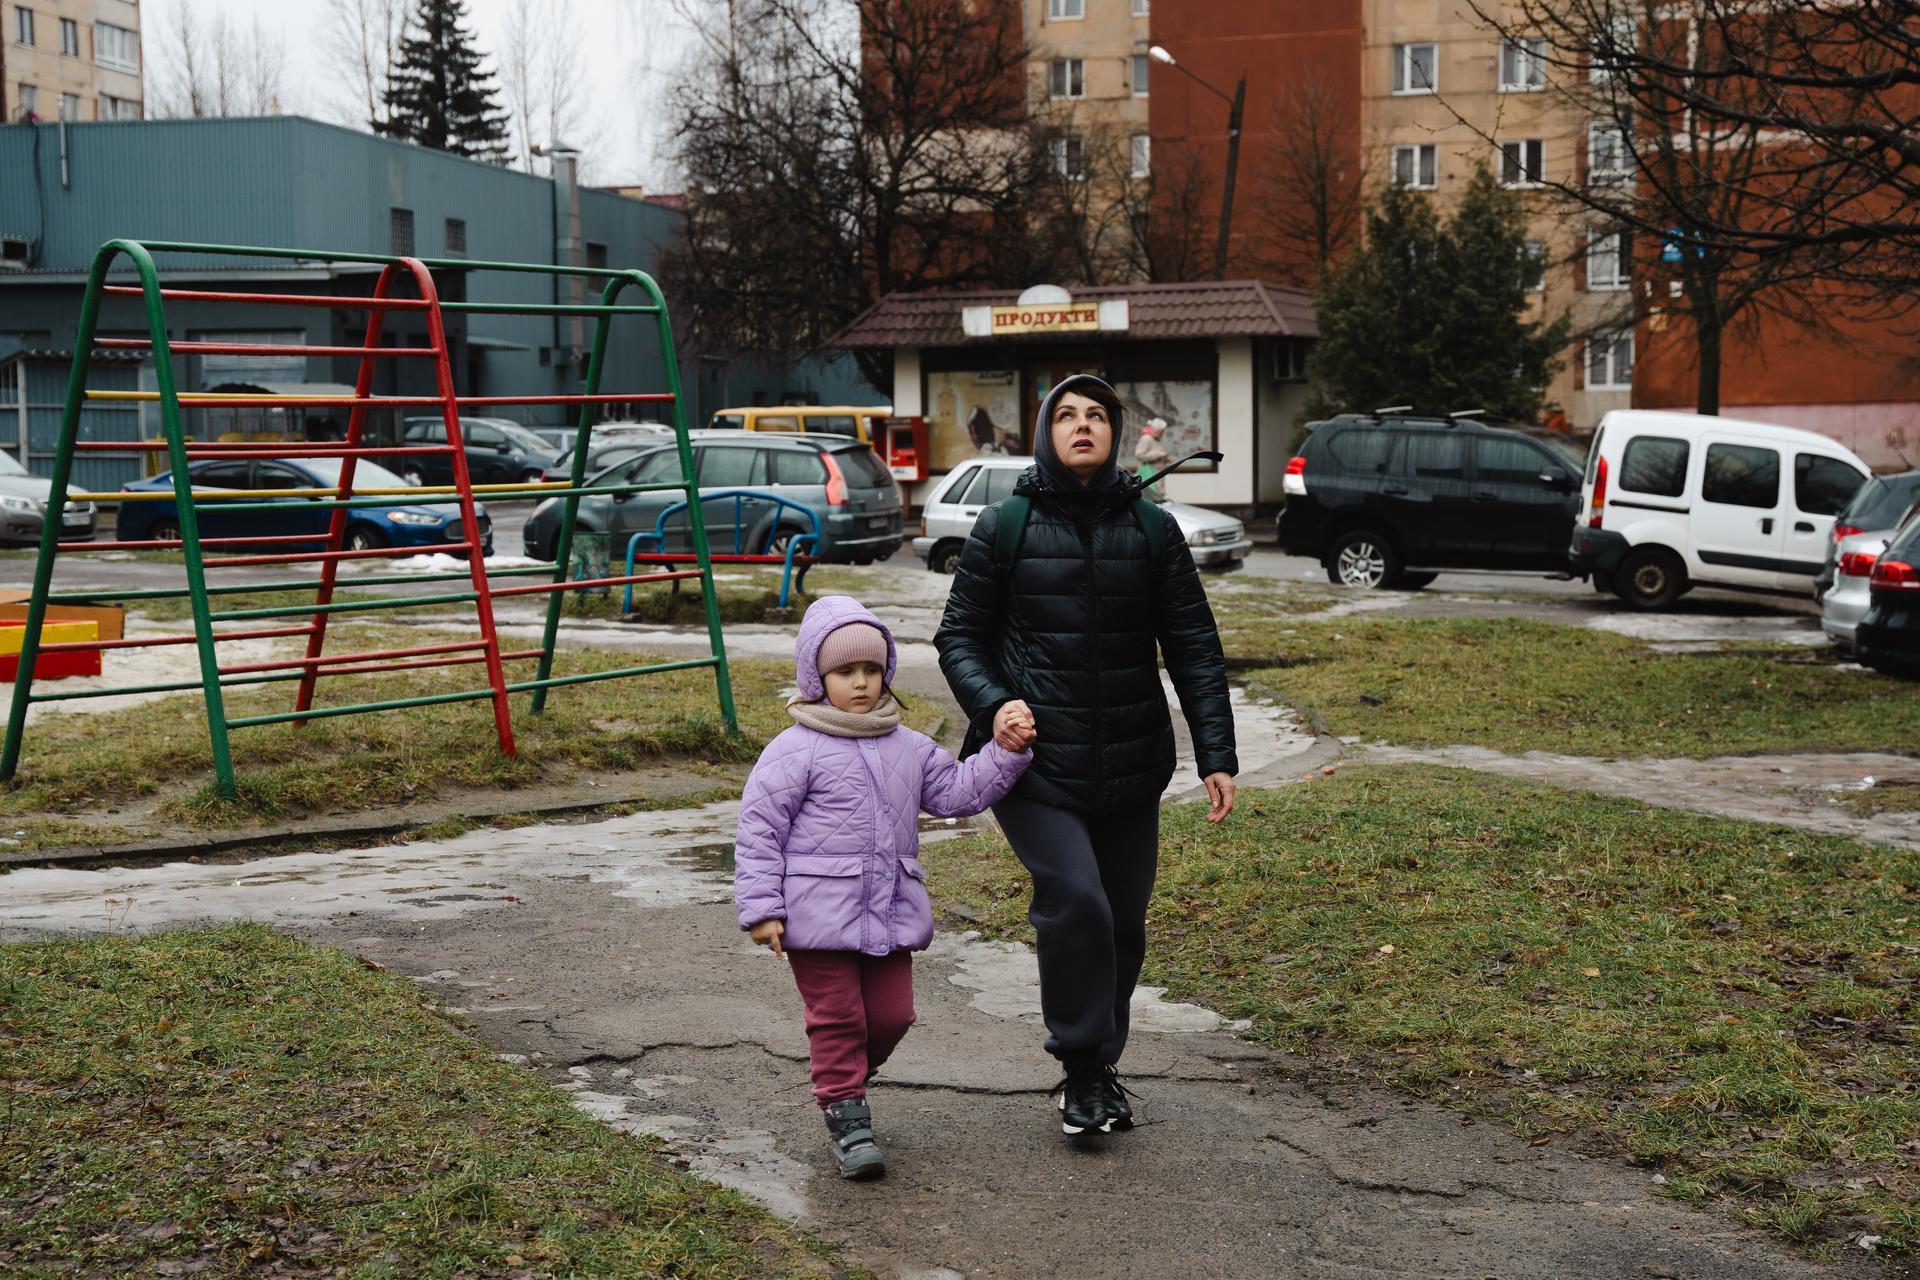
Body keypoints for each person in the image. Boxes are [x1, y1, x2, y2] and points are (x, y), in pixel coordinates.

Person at [934, 373, 1238, 1139]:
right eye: (1065, 415)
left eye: (1095, 415)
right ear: (1045, 432)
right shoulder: (1003, 525)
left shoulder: (1151, 529)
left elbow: (1194, 647)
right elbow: (958, 637)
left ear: (1114, 433)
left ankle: (1101, 1066)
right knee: (1078, 902)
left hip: (1132, 762)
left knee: (1125, 923)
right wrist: (994, 703)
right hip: (1033, 763)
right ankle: (1080, 1068)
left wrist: (1216, 752)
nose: (1081, 426)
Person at [734, 595, 1034, 1178]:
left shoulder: (910, 746)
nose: (862, 682)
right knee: (839, 1016)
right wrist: (761, 909)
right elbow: (759, 830)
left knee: (893, 1016)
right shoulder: (793, 750)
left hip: (890, 910)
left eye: (872, 670)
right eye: (846, 672)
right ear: (817, 678)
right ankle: (846, 1112)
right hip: (815, 916)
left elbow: (958, 795)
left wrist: (1005, 751)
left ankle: (841, 1078)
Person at [1133, 416, 1172, 484]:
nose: (1162, 433)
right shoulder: (1146, 438)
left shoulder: (1157, 439)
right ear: (1155, 429)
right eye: (1160, 431)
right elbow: (1139, 455)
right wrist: (1157, 455)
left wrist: (1165, 458)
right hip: (1149, 474)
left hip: (1157, 475)